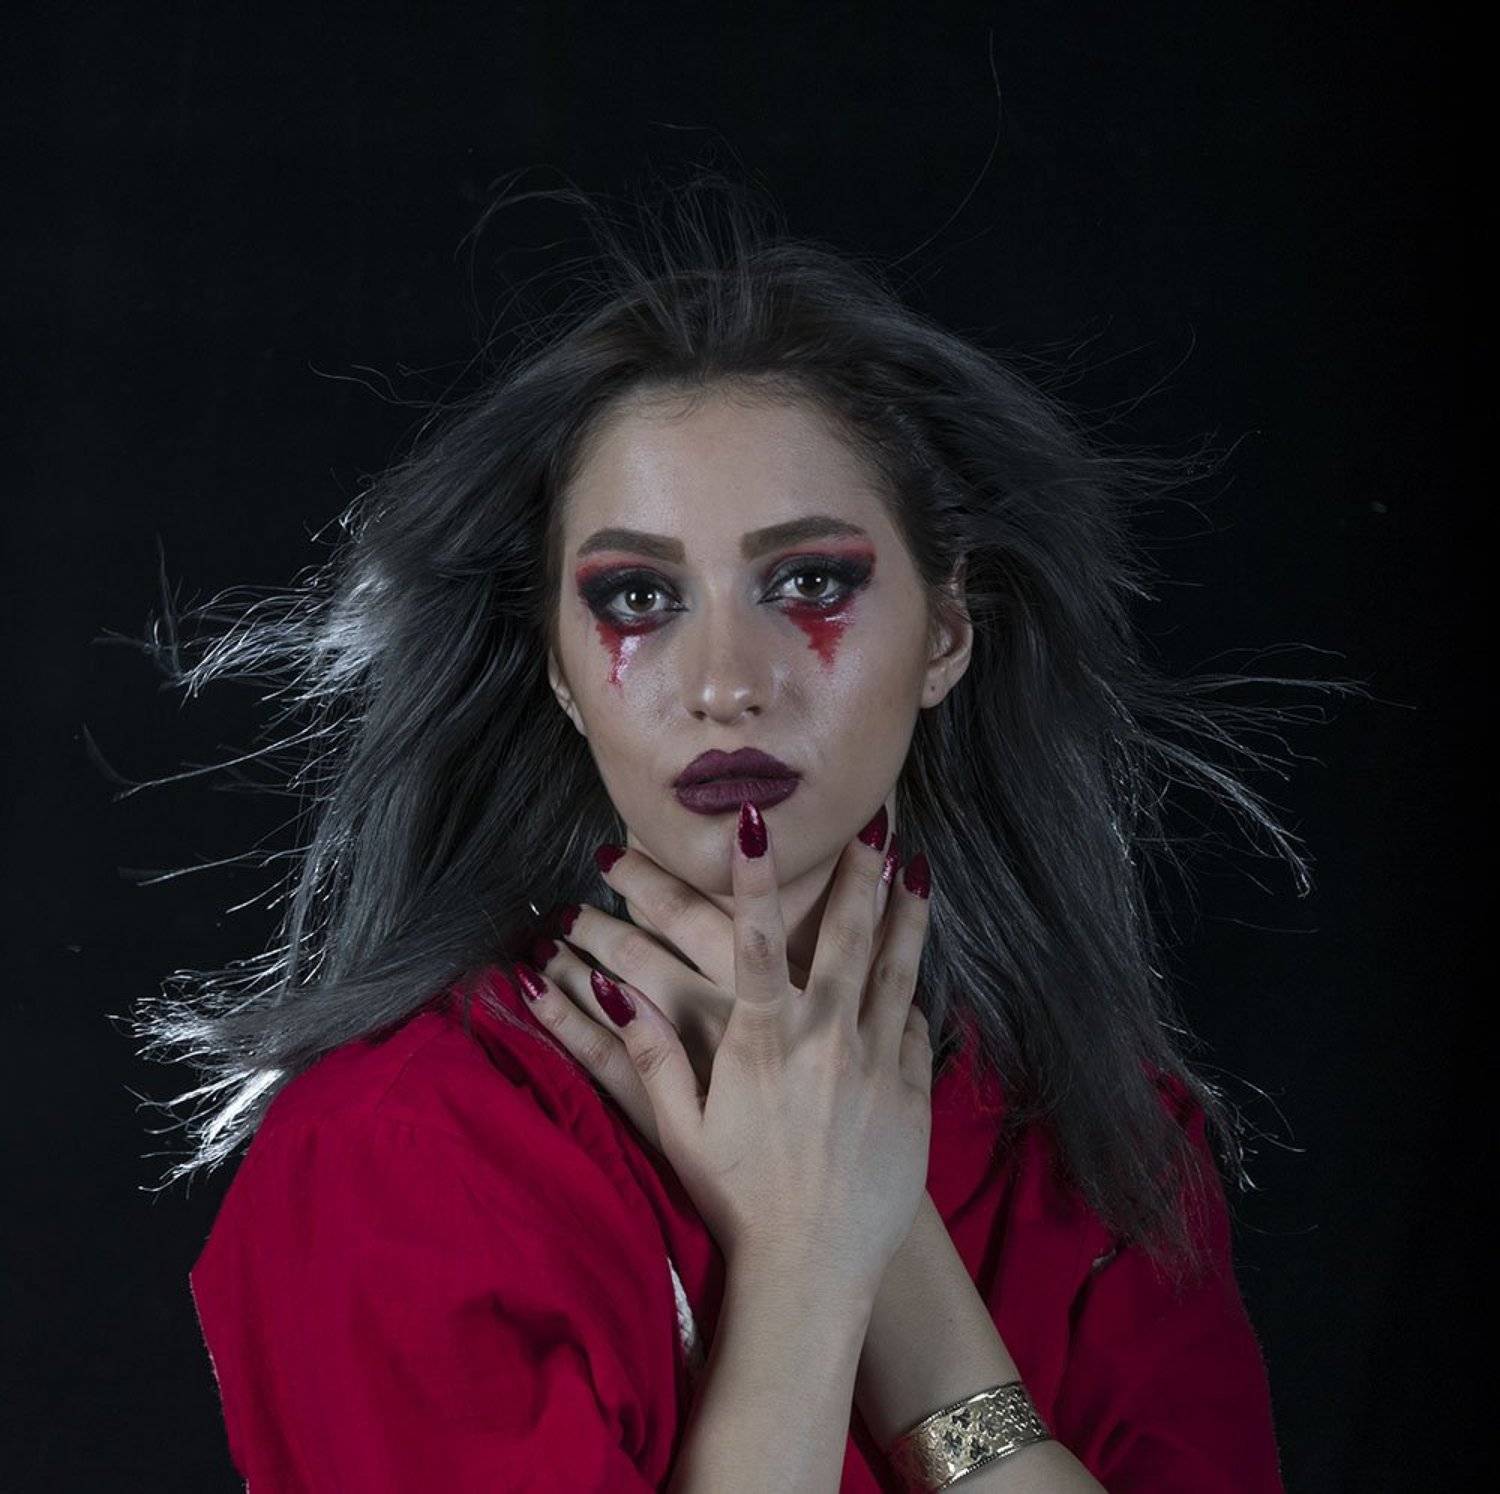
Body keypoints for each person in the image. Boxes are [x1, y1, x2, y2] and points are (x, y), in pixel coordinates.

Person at [130, 171, 1331, 1491]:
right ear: (558, 667)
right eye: (639, 598)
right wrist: (810, 1262)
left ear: (946, 630)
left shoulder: (1104, 1143)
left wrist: (911, 1285)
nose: (725, 684)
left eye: (808, 580)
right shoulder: (398, 1152)